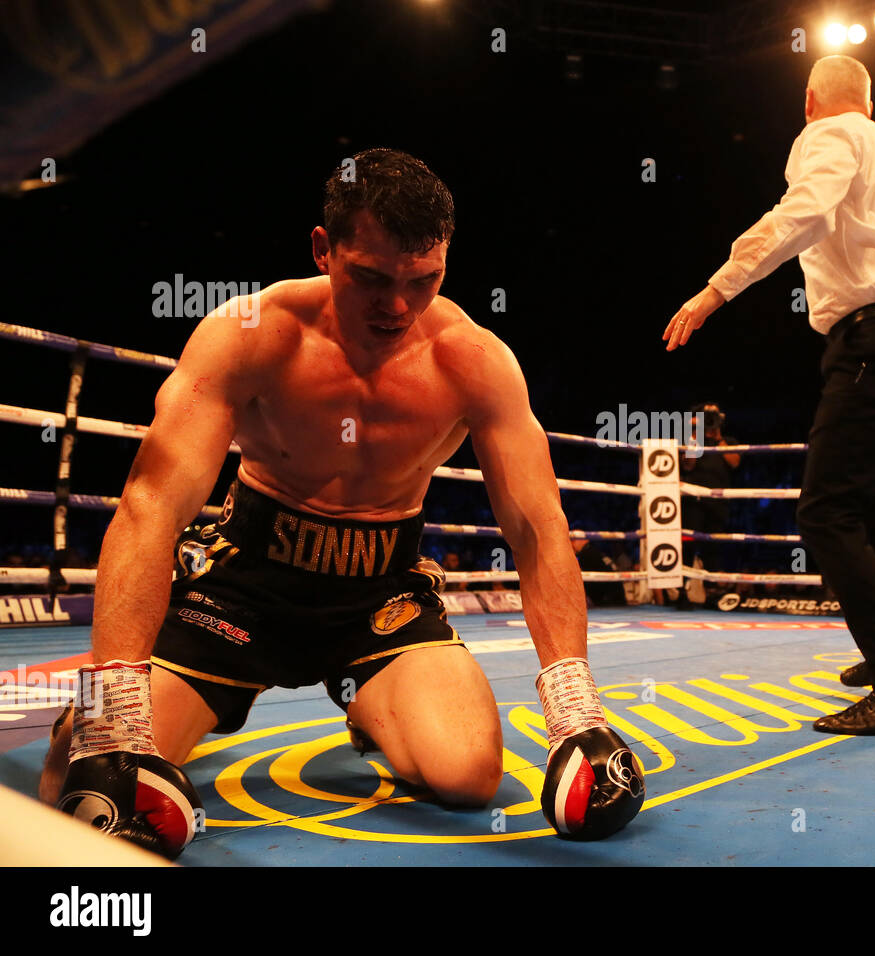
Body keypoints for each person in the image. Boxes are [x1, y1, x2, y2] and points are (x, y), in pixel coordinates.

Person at [40, 148, 643, 857]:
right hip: (238, 592)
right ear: (324, 250)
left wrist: (575, 710)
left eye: (424, 281)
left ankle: (369, 708)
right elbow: (151, 504)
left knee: (470, 776)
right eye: (372, 278)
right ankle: (138, 708)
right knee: (73, 782)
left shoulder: (474, 360)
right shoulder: (252, 334)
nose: (397, 306)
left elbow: (538, 528)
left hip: (379, 601)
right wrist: (114, 714)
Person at [663, 55, 875, 734]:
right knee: (871, 508)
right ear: (870, 103)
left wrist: (717, 287)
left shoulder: (827, 134)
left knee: (825, 510)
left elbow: (804, 210)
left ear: (809, 101)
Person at [678, 402, 740, 605]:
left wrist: (718, 437)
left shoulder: (728, 441)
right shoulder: (691, 441)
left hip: (718, 503)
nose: (710, 425)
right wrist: (695, 436)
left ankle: (711, 593)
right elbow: (687, 465)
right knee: (687, 547)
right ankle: (681, 593)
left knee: (712, 549)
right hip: (693, 502)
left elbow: (734, 462)